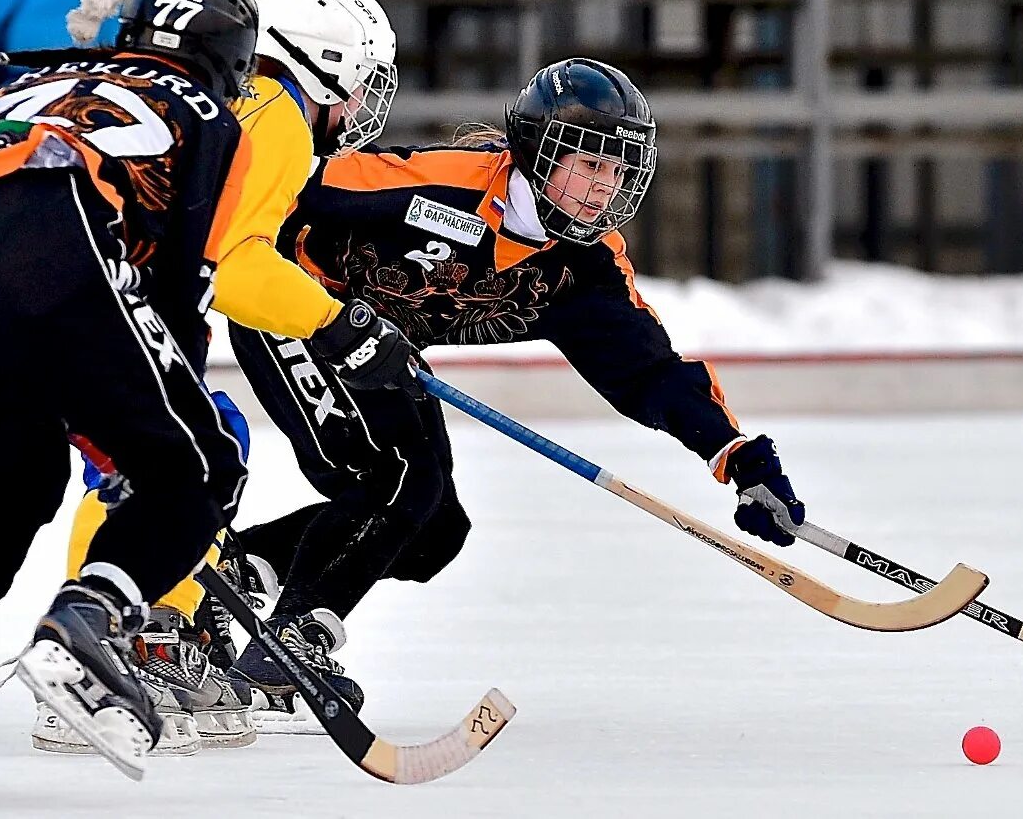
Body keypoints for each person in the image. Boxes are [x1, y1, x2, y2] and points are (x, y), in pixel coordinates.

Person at [213, 57, 808, 725]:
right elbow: (285, 187)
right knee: (401, 479)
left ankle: (232, 569)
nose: (600, 189)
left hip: (382, 351)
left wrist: (736, 454)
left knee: (435, 530)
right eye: (588, 164)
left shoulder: (585, 267)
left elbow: (651, 372)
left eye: (617, 171)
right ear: (536, 152)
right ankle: (294, 640)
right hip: (302, 319)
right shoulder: (436, 184)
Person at [0, 0, 415, 774]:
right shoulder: (241, 116)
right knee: (202, 457)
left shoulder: (51, 73)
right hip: (55, 240)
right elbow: (212, 273)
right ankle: (109, 637)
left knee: (19, 470)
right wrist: (335, 321)